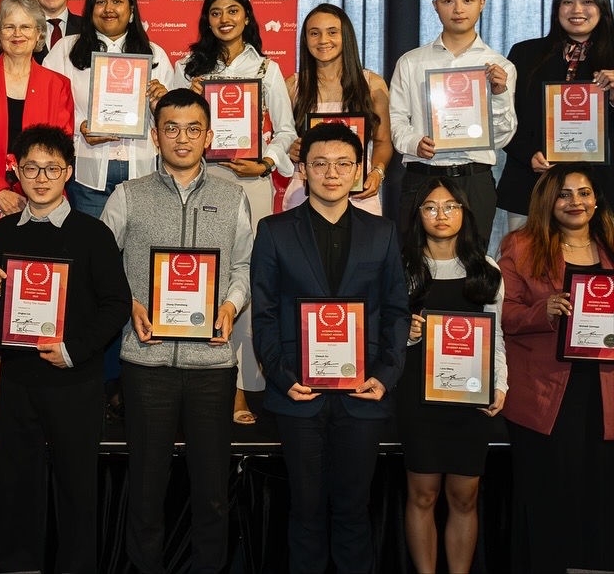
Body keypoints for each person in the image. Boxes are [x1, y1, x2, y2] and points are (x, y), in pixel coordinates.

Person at [100, 88, 252, 574]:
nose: (182, 138)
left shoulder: (233, 195)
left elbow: (245, 265)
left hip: (212, 364)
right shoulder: (128, 195)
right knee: (146, 488)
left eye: (192, 129)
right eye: (171, 128)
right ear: (155, 135)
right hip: (146, 363)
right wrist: (131, 303)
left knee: (212, 492)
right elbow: (102, 269)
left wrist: (230, 305)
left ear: (209, 136)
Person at [251, 122, 410, 574]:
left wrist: (385, 374)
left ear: (360, 170)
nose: (332, 173)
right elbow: (262, 314)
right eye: (320, 163)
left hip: (363, 395)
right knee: (304, 513)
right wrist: (283, 377)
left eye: (344, 164)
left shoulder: (382, 233)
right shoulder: (274, 231)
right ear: (302, 169)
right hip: (298, 394)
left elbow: (398, 310)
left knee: (353, 512)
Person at [0, 125, 130, 574]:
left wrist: (74, 350)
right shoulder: (3, 233)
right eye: (31, 168)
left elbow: (116, 304)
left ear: (68, 171)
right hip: (19, 379)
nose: (41, 177)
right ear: (16, 172)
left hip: (74, 379)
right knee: (17, 485)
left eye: (52, 168)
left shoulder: (91, 233)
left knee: (77, 488)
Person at [174, 0, 296, 426]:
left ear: (247, 16)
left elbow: (286, 132)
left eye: (233, 10)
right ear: (206, 20)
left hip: (250, 185)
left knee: (246, 281)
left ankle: (240, 391)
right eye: (215, 12)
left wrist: (265, 161)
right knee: (195, 277)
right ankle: (194, 380)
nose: (224, 18)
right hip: (197, 184)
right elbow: (170, 125)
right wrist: (185, 93)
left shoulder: (266, 68)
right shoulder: (187, 66)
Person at [0, 0, 75, 428]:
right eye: (9, 26)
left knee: (38, 295)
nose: (18, 34)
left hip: (40, 201)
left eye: (27, 27)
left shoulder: (57, 84)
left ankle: (34, 389)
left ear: (40, 35)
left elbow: (60, 144)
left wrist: (28, 188)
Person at [498, 164, 614, 574]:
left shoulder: (612, 246)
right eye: (565, 194)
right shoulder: (520, 246)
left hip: (605, 393)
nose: (575, 202)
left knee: (599, 493)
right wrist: (541, 312)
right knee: (548, 495)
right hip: (544, 392)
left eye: (584, 193)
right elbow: (504, 317)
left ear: (596, 199)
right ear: (548, 200)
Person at [397, 178, 507, 574]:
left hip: (469, 395)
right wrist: (404, 334)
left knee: (465, 496)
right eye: (430, 207)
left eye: (450, 206)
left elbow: (496, 336)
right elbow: (380, 335)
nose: (441, 215)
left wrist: (500, 383)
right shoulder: (403, 268)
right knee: (422, 494)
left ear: (465, 212)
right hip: (417, 396)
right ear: (417, 215)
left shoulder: (486, 269)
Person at [389, 0, 515, 249]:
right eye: (448, 1)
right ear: (435, 5)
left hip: (474, 180)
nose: (458, 9)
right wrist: (414, 142)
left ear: (482, 3)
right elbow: (396, 120)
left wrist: (498, 93)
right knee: (415, 266)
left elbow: (504, 137)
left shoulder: (500, 67)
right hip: (422, 175)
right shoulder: (411, 62)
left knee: (473, 270)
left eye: (468, 0)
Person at [43, 0, 172, 218]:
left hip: (142, 172)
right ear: (91, 9)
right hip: (88, 172)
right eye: (100, 2)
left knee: (138, 251)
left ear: (131, 9)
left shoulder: (155, 55)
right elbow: (47, 109)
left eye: (117, 1)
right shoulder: (65, 50)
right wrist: (79, 127)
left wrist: (161, 104)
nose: (108, 9)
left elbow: (173, 120)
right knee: (93, 251)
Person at [496, 0, 614, 231]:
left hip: (602, 191)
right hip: (532, 184)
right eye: (567, 2)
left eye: (587, 1)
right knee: (526, 266)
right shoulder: (525, 53)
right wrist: (528, 155)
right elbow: (503, 117)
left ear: (603, 7)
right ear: (557, 7)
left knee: (595, 269)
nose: (577, 10)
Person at [284, 3, 393, 214]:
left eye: (332, 32)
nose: (323, 40)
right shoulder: (292, 87)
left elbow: (383, 141)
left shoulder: (372, 84)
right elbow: (279, 140)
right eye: (314, 33)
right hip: (304, 191)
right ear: (305, 40)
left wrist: (377, 173)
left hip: (358, 192)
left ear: (346, 36)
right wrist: (289, 148)